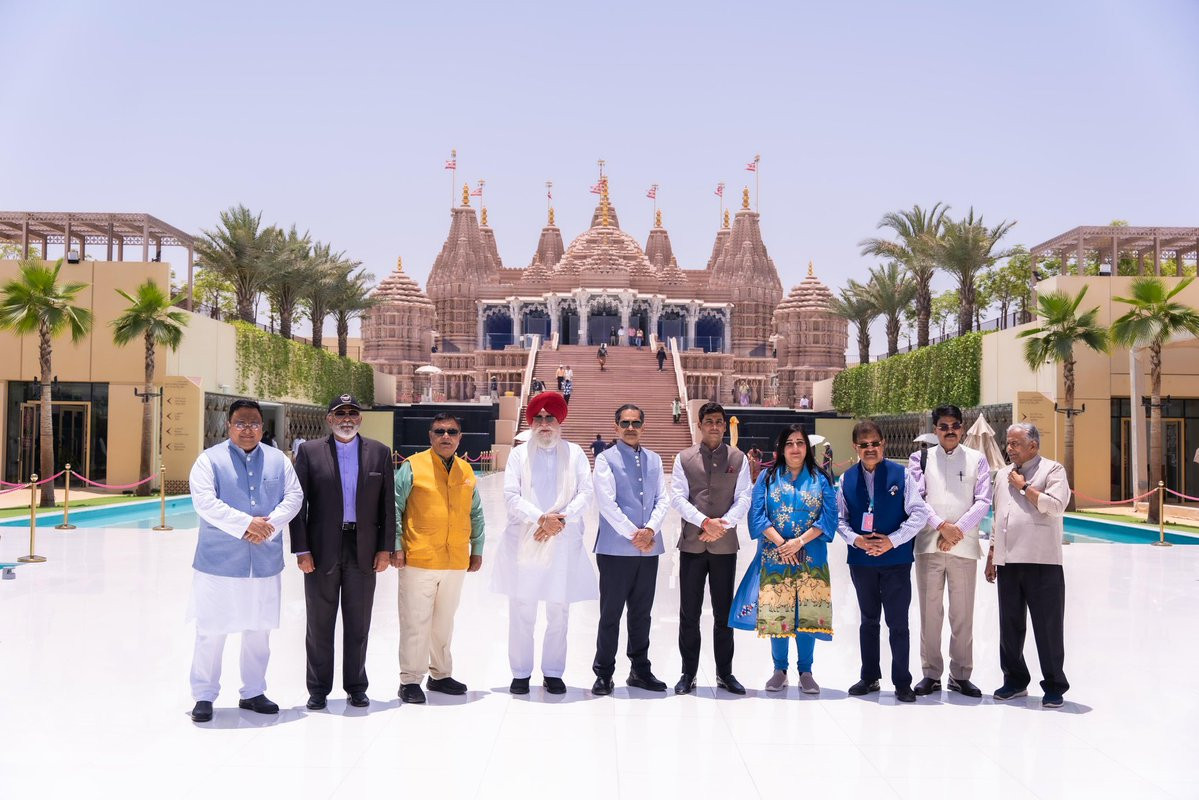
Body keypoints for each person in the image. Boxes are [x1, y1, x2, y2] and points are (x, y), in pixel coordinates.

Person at [187, 399, 303, 723]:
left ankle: (253, 691)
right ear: (229, 426)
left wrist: (269, 525)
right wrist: (246, 524)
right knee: (211, 630)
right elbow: (205, 502)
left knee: (259, 629)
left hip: (264, 562)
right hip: (218, 564)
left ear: (263, 427)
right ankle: (204, 695)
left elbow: (294, 497)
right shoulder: (208, 461)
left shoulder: (279, 461)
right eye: (240, 423)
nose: (247, 429)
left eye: (254, 423)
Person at [290, 394, 395, 710]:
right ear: (329, 419)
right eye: (340, 413)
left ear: (360, 419)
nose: (346, 418)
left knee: (359, 622)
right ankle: (318, 688)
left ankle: (356, 686)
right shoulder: (309, 452)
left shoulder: (379, 452)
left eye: (352, 413)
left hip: (363, 548)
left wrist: (385, 549)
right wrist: (302, 549)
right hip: (322, 549)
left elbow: (387, 506)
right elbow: (297, 505)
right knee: (319, 622)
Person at [493, 392, 597, 694]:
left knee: (558, 609)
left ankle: (553, 672)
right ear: (531, 423)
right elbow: (511, 496)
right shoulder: (519, 454)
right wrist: (540, 518)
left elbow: (586, 493)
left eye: (549, 418)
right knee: (522, 607)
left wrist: (558, 521)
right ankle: (520, 673)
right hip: (525, 538)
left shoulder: (575, 453)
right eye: (538, 418)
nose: (544, 424)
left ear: (559, 421)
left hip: (562, 539)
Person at [731, 425, 837, 693]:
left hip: (810, 557)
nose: (795, 448)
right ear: (780, 449)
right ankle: (779, 670)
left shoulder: (820, 478)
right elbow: (757, 516)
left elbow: (829, 517)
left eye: (800, 443)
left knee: (807, 612)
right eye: (789, 443)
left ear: (807, 448)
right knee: (777, 611)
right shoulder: (767, 477)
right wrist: (783, 544)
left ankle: (806, 671)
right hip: (775, 557)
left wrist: (799, 542)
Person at [392, 413, 486, 704]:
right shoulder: (412, 466)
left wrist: (477, 548)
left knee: (444, 622)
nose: (446, 436)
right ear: (430, 436)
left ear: (460, 437)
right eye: (440, 431)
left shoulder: (466, 471)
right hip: (418, 558)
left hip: (454, 559)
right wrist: (396, 546)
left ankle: (441, 675)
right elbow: (394, 507)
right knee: (415, 622)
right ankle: (410, 680)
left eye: (452, 432)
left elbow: (476, 513)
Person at [836, 419, 929, 703]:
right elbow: (839, 519)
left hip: (896, 561)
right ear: (855, 447)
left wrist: (893, 540)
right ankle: (869, 677)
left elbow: (920, 513)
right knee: (868, 620)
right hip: (862, 561)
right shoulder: (846, 479)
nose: (870, 449)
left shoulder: (902, 475)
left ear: (883, 444)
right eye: (864, 445)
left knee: (898, 622)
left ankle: (902, 682)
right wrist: (857, 540)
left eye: (875, 443)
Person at [907, 405, 993, 698]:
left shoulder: (977, 459)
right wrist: (942, 526)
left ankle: (960, 675)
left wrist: (957, 531)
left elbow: (983, 501)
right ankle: (931, 674)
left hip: (964, 546)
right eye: (943, 426)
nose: (950, 431)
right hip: (929, 544)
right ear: (935, 429)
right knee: (930, 613)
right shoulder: (920, 459)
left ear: (962, 427)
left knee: (963, 614)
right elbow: (917, 499)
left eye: (955, 425)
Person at [670, 401, 752, 695]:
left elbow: (744, 498)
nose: (714, 426)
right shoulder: (684, 458)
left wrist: (722, 524)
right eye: (709, 422)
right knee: (689, 613)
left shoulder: (738, 458)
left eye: (719, 421)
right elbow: (678, 497)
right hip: (693, 544)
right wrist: (705, 522)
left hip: (724, 546)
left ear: (724, 425)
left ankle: (724, 673)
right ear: (700, 425)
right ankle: (688, 673)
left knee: (724, 613)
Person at [987, 422, 1072, 708]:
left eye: (1015, 444)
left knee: (1047, 627)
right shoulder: (1002, 474)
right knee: (1009, 626)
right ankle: (1014, 680)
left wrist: (1024, 487)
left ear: (1033, 446)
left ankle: (1054, 685)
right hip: (1008, 561)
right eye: (1008, 443)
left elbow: (1056, 507)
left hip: (1042, 561)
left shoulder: (1053, 470)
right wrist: (992, 553)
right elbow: (999, 516)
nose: (1009, 448)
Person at [590, 404, 672, 695]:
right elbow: (606, 502)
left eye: (636, 423)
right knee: (610, 613)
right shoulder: (605, 459)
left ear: (643, 427)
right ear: (616, 427)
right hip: (615, 550)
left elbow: (663, 498)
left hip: (648, 549)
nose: (630, 428)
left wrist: (650, 530)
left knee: (642, 613)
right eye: (625, 423)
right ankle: (604, 672)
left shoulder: (654, 459)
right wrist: (634, 534)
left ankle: (639, 669)